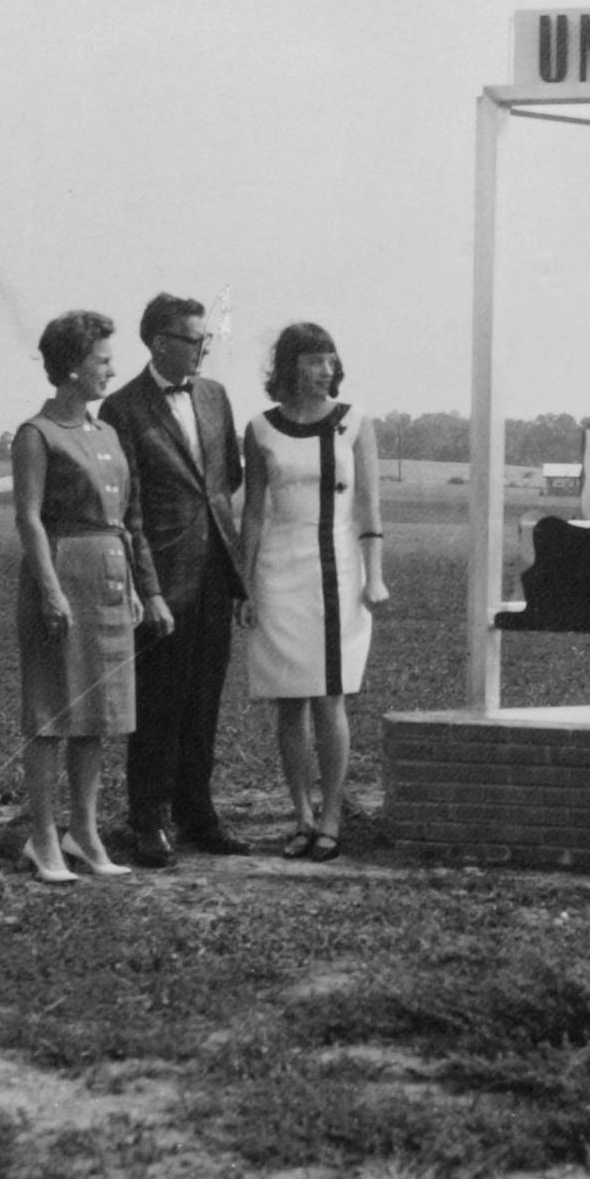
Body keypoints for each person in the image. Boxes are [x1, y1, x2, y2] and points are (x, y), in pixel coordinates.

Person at [99, 293, 249, 866]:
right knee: (159, 701)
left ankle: (198, 812)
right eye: (194, 340)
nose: (204, 348)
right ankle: (149, 819)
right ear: (161, 343)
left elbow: (224, 480)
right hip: (161, 580)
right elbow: (129, 508)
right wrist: (150, 588)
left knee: (204, 701)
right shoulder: (123, 409)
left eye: (205, 339)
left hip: (216, 572)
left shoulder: (214, 396)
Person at [239, 323, 390, 862]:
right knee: (288, 700)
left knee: (330, 696)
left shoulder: (354, 423)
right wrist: (245, 580)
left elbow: (370, 508)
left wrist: (375, 574)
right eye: (313, 360)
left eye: (331, 359)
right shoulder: (259, 428)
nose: (325, 369)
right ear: (289, 367)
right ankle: (300, 814)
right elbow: (254, 511)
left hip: (340, 569)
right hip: (279, 569)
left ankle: (331, 816)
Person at [12, 310, 142, 884]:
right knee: (51, 713)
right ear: (70, 367)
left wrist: (134, 585)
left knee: (98, 714)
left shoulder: (108, 433)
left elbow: (121, 520)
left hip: (111, 580)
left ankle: (83, 833)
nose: (112, 370)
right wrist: (49, 589)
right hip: (63, 579)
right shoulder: (36, 435)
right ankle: (42, 840)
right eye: (102, 360)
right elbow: (30, 520)